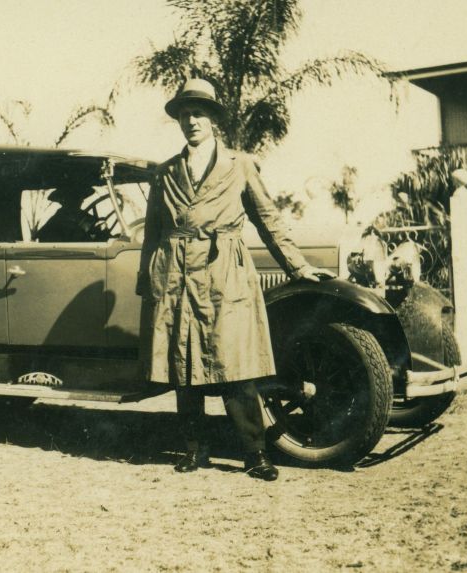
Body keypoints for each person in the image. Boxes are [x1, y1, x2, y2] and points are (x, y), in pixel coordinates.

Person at [136, 79, 335, 481]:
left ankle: (255, 453)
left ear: (213, 119)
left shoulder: (239, 164)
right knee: (184, 363)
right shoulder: (166, 172)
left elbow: (267, 219)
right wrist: (149, 282)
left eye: (199, 112)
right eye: (184, 114)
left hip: (225, 270)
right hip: (176, 274)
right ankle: (194, 449)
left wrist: (298, 266)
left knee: (235, 364)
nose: (191, 120)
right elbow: (154, 231)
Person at [36, 184, 109, 242]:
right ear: (62, 201)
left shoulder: (88, 218)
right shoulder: (56, 221)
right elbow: (43, 239)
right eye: (73, 198)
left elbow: (102, 237)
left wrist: (103, 230)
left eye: (79, 197)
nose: (79, 201)